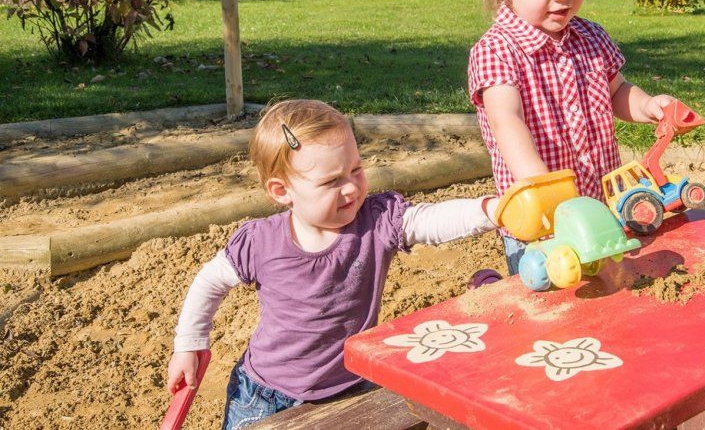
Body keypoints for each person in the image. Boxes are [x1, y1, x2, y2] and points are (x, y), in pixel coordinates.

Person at [165, 99, 499, 429]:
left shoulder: (376, 221)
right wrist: (190, 343)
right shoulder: (262, 241)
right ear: (282, 191)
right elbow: (210, 280)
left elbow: (429, 220)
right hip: (265, 395)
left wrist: (489, 210)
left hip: (350, 385)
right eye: (331, 181)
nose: (352, 187)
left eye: (356, 169)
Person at [468, 0, 675, 275]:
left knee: (608, 284)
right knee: (551, 294)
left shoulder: (591, 37)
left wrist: (647, 105)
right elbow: (506, 122)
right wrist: (544, 189)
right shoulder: (497, 50)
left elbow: (617, 91)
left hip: (599, 204)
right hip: (542, 222)